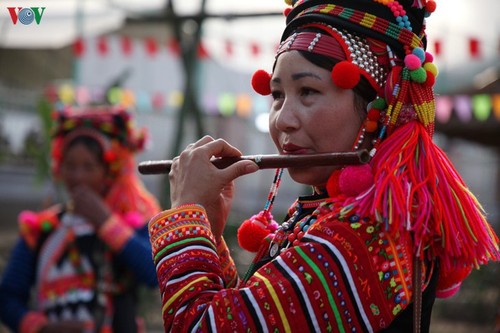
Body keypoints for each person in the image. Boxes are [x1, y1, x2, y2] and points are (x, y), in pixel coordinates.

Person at [148, 0, 500, 332]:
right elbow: (247, 315)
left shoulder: (362, 239)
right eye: (277, 95)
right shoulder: (345, 220)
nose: (283, 120)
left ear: (376, 107)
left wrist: (185, 214)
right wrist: (207, 225)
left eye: (308, 92)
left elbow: (197, 326)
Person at [0, 106, 161, 333]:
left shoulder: (130, 224)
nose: (78, 177)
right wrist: (42, 328)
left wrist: (105, 222)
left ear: (108, 172)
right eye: (70, 166)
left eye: (89, 167)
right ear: (60, 168)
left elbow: (156, 274)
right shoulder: (42, 229)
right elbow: (7, 297)